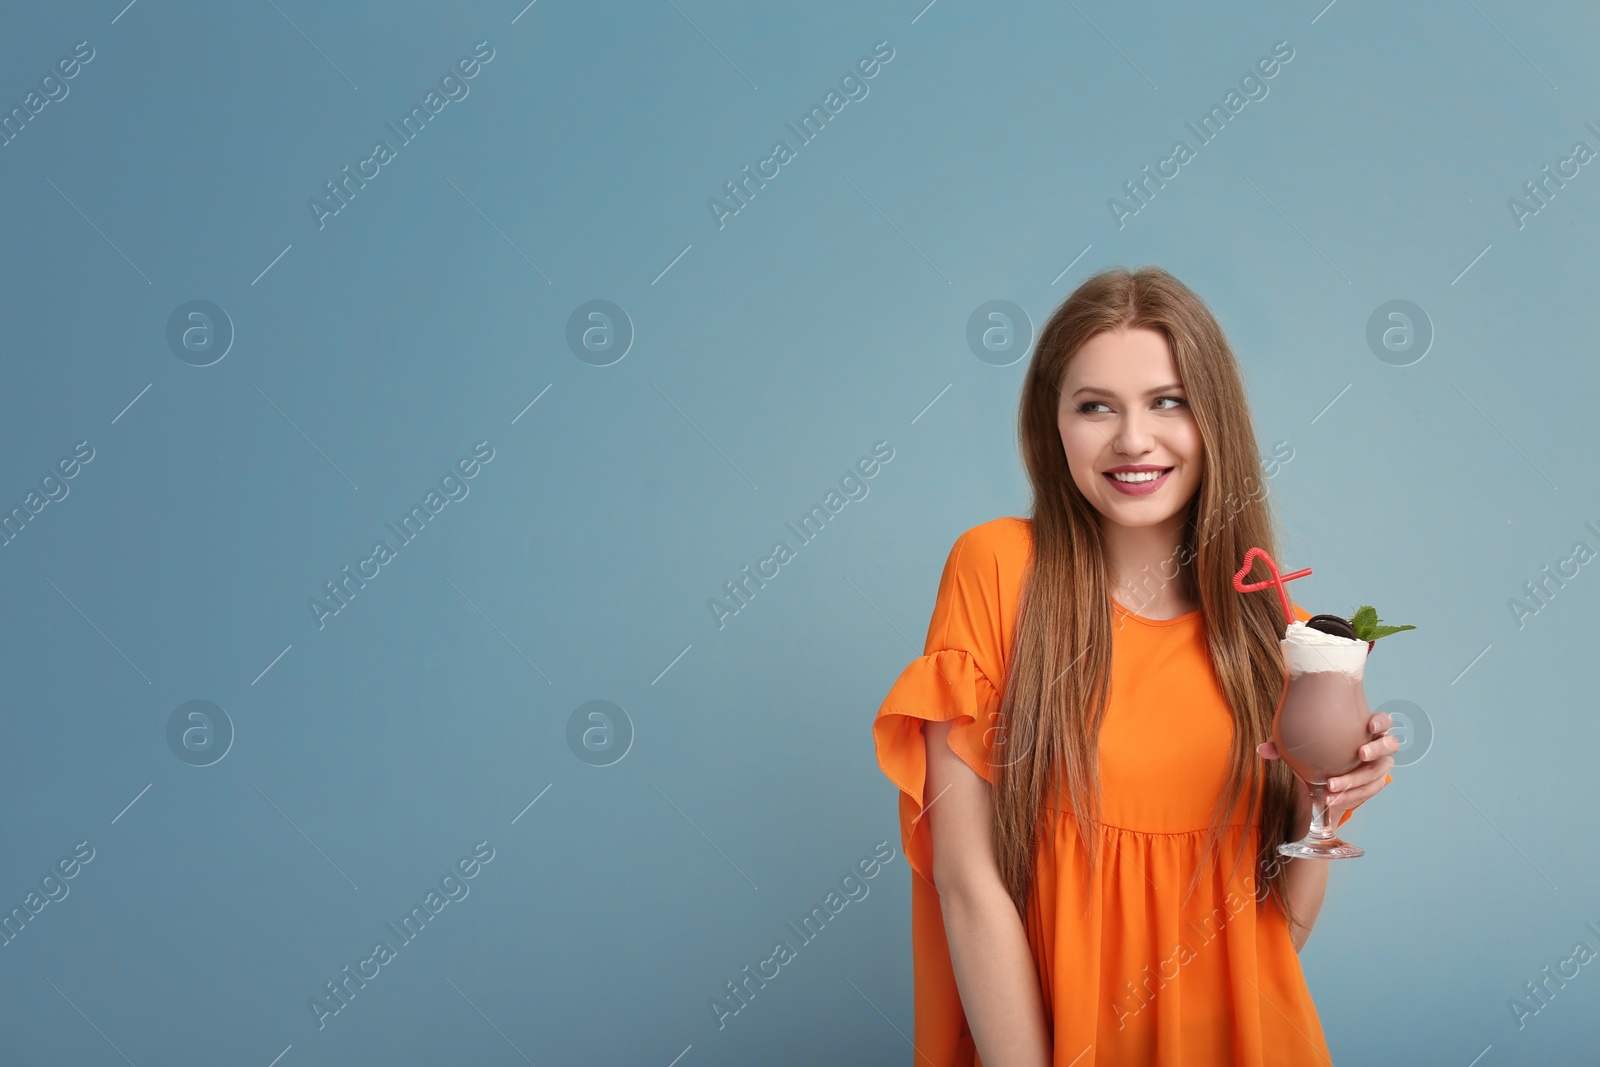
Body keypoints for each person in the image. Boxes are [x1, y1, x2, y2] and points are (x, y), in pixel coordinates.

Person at [871, 267, 1398, 1065]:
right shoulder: (998, 570)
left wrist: (1320, 804)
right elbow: (966, 880)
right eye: (1095, 406)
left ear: (1212, 417)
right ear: (1053, 424)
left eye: (1168, 400)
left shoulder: (1269, 629)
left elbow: (1277, 932)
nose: (1133, 440)